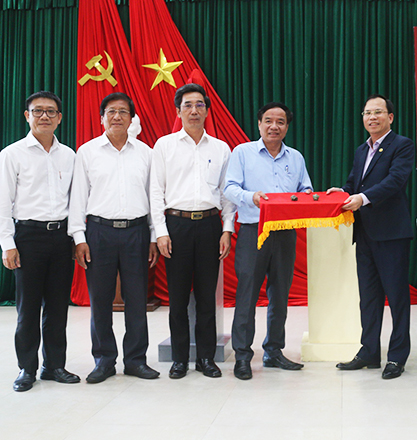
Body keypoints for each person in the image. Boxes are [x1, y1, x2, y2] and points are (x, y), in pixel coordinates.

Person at [68, 92, 160, 384]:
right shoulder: (87, 151)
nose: (117, 116)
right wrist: (79, 238)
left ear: (132, 119)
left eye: (123, 111)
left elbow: (154, 197)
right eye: (111, 111)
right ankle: (104, 360)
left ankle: (135, 360)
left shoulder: (146, 153)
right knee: (101, 299)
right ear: (101, 118)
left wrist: (155, 235)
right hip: (99, 233)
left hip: (136, 231)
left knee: (136, 298)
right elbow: (77, 199)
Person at [150, 84, 236, 379]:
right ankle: (178, 359)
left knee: (206, 297)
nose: (194, 110)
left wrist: (226, 229)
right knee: (176, 297)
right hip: (176, 226)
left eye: (200, 105)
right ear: (178, 111)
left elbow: (226, 194)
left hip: (211, 225)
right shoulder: (164, 145)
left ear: (207, 111)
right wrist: (160, 232)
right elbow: (155, 191)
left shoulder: (221, 148)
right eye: (188, 105)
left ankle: (206, 359)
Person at [224, 102, 312, 380]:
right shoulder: (243, 153)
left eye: (281, 122)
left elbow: (305, 190)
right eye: (269, 121)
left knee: (280, 295)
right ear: (259, 123)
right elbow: (229, 187)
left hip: (285, 232)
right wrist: (252, 197)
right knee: (247, 294)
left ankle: (274, 351)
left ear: (287, 127)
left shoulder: (295, 157)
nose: (274, 126)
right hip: (253, 231)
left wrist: (310, 198)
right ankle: (242, 355)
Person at [329, 94, 415, 380]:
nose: (372, 117)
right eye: (367, 113)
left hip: (391, 234)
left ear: (390, 117)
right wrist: (340, 192)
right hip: (364, 234)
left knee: (397, 298)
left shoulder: (402, 145)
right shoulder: (361, 149)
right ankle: (368, 352)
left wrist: (362, 198)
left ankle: (397, 357)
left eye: (378, 112)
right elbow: (355, 182)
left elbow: (395, 181)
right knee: (368, 298)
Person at [0, 91, 79, 391]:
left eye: (51, 111)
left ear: (60, 117)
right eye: (38, 111)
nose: (44, 116)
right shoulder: (12, 154)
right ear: (27, 115)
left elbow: (75, 201)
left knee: (58, 307)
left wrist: (74, 237)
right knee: (28, 309)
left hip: (60, 238)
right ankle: (26, 369)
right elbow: (2, 203)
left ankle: (55, 365)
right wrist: (7, 243)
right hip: (28, 238)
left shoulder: (69, 155)